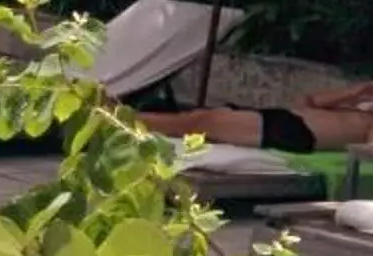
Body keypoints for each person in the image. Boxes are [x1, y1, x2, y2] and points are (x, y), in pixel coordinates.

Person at [145, 79, 373, 151]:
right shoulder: (359, 105)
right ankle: (124, 118)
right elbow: (308, 101)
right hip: (285, 117)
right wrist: (355, 92)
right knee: (203, 116)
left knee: (201, 122)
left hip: (296, 133)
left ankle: (122, 118)